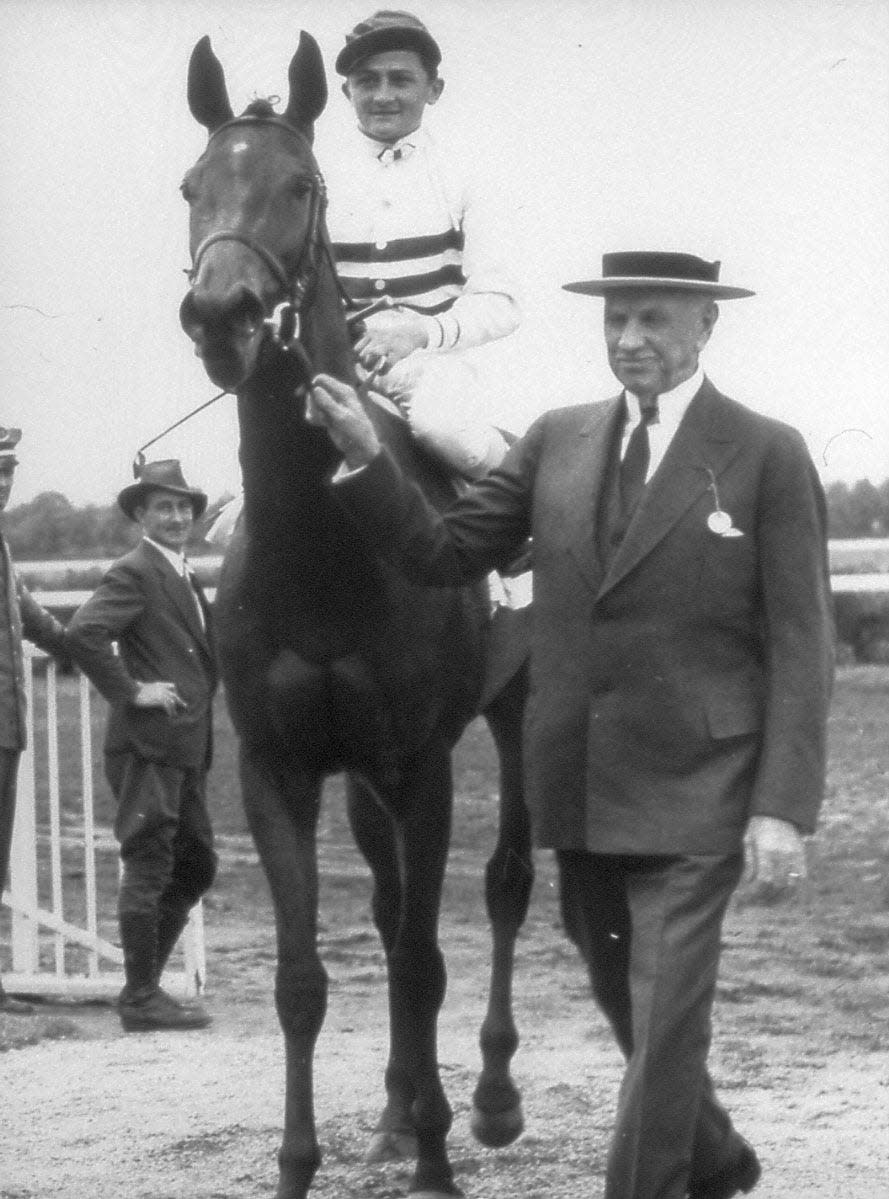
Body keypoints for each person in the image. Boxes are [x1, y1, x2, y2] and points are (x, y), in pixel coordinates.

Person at [307, 250, 835, 1199]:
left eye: (652, 320)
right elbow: (443, 553)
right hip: (578, 780)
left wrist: (781, 807)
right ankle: (716, 1159)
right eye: (615, 320)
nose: (629, 339)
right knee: (627, 1004)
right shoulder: (556, 438)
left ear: (704, 325)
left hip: (705, 785)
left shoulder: (765, 450)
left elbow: (803, 643)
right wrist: (365, 459)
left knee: (666, 1013)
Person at [322, 9, 521, 480]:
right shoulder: (313, 175)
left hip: (433, 365)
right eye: (367, 81)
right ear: (347, 90)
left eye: (401, 80)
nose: (383, 95)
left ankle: (526, 508)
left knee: (444, 429)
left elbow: (502, 304)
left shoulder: (468, 174)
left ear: (434, 90)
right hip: (334, 362)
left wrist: (417, 333)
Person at [67, 459, 217, 1032]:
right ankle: (140, 995)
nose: (177, 517)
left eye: (184, 507)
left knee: (197, 863)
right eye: (164, 507)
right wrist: (131, 691)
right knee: (151, 862)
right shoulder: (135, 570)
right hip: (147, 746)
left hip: (186, 744)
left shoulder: (181, 571)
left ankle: (143, 986)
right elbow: (84, 633)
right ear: (141, 515)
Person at [0, 428, 69, 1014]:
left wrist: (80, 644)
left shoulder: (1, 542)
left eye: (7, 473)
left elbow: (27, 613)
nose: (1, 484)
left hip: (7, 724)